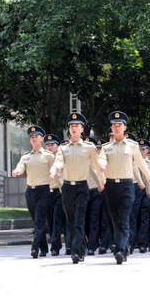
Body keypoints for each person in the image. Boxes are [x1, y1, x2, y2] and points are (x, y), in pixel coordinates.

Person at [98, 111, 150, 264]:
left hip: (126, 186)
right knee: (115, 220)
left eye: (119, 125)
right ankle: (121, 246)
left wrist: (148, 175)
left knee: (123, 219)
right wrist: (102, 166)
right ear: (111, 127)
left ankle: (121, 250)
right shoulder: (106, 147)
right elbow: (101, 160)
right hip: (110, 187)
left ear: (124, 127)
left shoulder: (132, 146)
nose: (116, 128)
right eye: (114, 125)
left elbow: (140, 162)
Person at [49, 113, 103, 264]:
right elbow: (58, 161)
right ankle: (81, 246)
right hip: (67, 188)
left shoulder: (89, 148)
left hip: (82, 187)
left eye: (76, 126)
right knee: (71, 221)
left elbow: (96, 166)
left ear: (82, 129)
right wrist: (54, 170)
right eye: (71, 126)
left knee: (79, 220)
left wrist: (100, 181)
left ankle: (76, 252)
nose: (73, 128)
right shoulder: (63, 148)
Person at [12, 125, 54, 258]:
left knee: (40, 219)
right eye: (31, 137)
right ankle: (44, 248)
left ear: (41, 138)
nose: (34, 139)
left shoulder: (48, 156)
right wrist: (17, 171)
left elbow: (56, 170)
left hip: (44, 190)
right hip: (30, 191)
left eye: (36, 136)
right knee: (37, 221)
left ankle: (34, 248)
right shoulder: (25, 156)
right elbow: (20, 166)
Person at [44, 134, 66, 256]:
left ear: (57, 146)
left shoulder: (62, 158)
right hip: (47, 192)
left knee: (58, 219)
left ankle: (55, 246)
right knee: (50, 221)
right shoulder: (44, 159)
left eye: (52, 144)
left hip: (60, 191)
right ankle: (56, 244)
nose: (49, 147)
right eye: (47, 145)